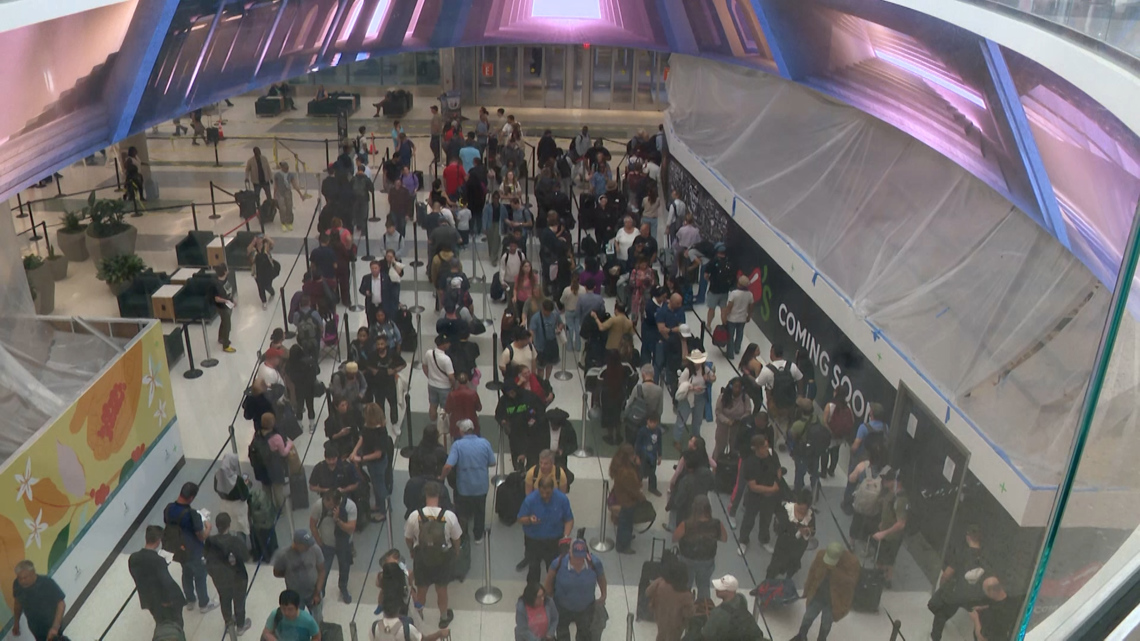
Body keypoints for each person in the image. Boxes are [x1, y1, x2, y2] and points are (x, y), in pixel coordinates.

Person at [404, 481, 462, 627]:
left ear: (425, 495)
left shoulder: (414, 516)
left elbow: (408, 538)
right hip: (443, 558)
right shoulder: (449, 516)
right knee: (442, 589)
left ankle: (419, 615)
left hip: (422, 558)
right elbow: (456, 539)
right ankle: (443, 617)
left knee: (422, 589)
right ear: (440, 495)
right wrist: (456, 552)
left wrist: (412, 550)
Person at [163, 482, 217, 613]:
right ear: (191, 497)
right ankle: (204, 604)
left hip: (178, 549)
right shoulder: (192, 515)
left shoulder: (169, 508)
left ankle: (190, 600)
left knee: (186, 573)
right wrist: (208, 528)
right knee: (200, 575)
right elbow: (201, 536)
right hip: (194, 551)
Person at [441, 419, 497, 542]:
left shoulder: (458, 445)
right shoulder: (485, 443)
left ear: (462, 431)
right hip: (481, 486)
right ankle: (478, 536)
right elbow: (493, 462)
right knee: (480, 512)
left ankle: (463, 536)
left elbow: (448, 466)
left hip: (464, 487)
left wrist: (441, 478)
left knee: (463, 513)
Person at [792, 542, 860, 641]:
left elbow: (852, 583)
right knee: (808, 616)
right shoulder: (821, 555)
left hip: (834, 600)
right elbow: (812, 572)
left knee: (826, 622)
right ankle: (801, 635)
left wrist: (835, 571)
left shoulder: (852, 563)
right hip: (818, 593)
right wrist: (806, 590)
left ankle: (822, 638)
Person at [929, 525, 987, 641]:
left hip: (953, 590)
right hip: (968, 593)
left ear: (968, 536)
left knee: (937, 608)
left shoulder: (963, 554)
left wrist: (942, 585)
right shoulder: (983, 557)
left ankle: (935, 637)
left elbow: (947, 574)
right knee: (950, 608)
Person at [543, 540, 607, 641]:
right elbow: (549, 580)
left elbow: (601, 577)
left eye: (581, 556)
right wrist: (548, 597)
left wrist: (604, 594)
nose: (579, 560)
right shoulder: (558, 563)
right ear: (570, 552)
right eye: (576, 556)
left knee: (584, 632)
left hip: (586, 607)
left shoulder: (594, 563)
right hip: (562, 607)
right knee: (562, 631)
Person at [518, 476, 575, 585]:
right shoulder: (530, 500)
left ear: (553, 489)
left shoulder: (562, 499)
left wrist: (566, 536)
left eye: (548, 493)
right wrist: (529, 519)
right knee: (533, 568)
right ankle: (533, 593)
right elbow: (520, 518)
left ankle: (552, 593)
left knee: (553, 569)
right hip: (533, 540)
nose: (545, 496)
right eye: (542, 493)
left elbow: (569, 519)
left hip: (554, 540)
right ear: (538, 489)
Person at [129, 525, 187, 630]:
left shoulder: (133, 558)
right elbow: (167, 582)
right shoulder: (157, 560)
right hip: (164, 601)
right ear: (158, 540)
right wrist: (174, 599)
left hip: (149, 600)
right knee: (175, 624)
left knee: (161, 622)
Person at [672, 495, 726, 602]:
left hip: (687, 559)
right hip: (707, 561)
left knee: (685, 585)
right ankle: (703, 609)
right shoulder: (716, 524)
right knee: (704, 585)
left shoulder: (686, 524)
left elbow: (674, 538)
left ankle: (685, 605)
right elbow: (724, 538)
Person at [205, 512, 251, 634]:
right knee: (239, 601)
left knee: (224, 600)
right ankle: (240, 626)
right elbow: (246, 557)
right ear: (229, 525)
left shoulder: (210, 541)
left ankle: (228, 623)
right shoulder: (235, 540)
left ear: (216, 525)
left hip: (220, 579)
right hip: (238, 577)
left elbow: (206, 558)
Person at [738, 434, 782, 556]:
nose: (766, 449)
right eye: (764, 447)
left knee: (766, 519)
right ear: (756, 448)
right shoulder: (750, 463)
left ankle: (764, 540)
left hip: (770, 497)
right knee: (749, 519)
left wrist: (776, 483)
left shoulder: (772, 455)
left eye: (767, 446)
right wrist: (771, 489)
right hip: (755, 497)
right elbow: (753, 486)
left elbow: (778, 469)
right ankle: (743, 541)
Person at [310, 489, 357, 604]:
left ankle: (343, 587)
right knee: (323, 570)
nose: (327, 506)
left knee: (345, 567)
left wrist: (337, 520)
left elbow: (351, 528)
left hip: (344, 544)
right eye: (326, 502)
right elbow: (312, 525)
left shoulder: (350, 507)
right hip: (326, 545)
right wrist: (319, 541)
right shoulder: (319, 505)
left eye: (330, 505)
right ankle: (321, 592)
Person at [353, 403, 394, 523]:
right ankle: (378, 504)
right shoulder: (368, 427)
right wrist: (354, 451)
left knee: (380, 486)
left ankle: (385, 510)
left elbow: (378, 454)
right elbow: (363, 437)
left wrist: (361, 459)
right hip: (371, 462)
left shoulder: (380, 432)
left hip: (378, 463)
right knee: (375, 485)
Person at [273, 531, 326, 622]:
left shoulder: (315, 549)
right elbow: (276, 573)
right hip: (295, 596)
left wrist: (317, 593)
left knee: (318, 620)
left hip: (313, 593)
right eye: (306, 545)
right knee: (296, 621)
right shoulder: (283, 555)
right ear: (296, 544)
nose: (309, 547)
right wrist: (290, 575)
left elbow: (321, 571)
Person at [766, 489, 815, 580]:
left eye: (805, 509)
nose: (803, 512)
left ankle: (787, 580)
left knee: (793, 564)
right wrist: (797, 530)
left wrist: (808, 531)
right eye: (801, 508)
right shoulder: (786, 510)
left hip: (799, 547)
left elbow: (813, 530)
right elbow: (778, 529)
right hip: (784, 545)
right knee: (775, 565)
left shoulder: (810, 515)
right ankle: (768, 581)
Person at [755, 343, 803, 437]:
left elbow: (758, 383)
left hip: (774, 403)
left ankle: (775, 439)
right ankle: (784, 439)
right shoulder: (792, 366)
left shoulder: (768, 369)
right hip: (790, 402)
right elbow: (800, 379)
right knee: (787, 421)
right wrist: (799, 395)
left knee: (774, 422)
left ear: (772, 353)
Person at [11, 561, 65, 641]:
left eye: (25, 577)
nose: (22, 581)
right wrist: (16, 623)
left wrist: (55, 627)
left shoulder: (47, 583)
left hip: (52, 623)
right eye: (19, 578)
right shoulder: (17, 585)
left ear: (33, 573)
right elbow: (18, 604)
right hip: (35, 628)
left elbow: (61, 604)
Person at [872, 469, 908, 587]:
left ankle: (886, 580)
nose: (884, 482)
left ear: (895, 481)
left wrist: (884, 533)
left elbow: (901, 523)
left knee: (888, 560)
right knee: (881, 557)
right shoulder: (891, 493)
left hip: (892, 537)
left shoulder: (900, 500)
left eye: (888, 480)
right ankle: (881, 576)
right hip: (885, 531)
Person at [674, 350, 714, 451]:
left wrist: (709, 378)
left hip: (700, 397)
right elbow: (680, 384)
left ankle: (696, 437)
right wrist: (692, 388)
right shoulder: (688, 371)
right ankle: (677, 439)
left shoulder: (705, 368)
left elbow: (713, 377)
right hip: (688, 397)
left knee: (698, 419)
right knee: (682, 419)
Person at [645, 558, 694, 641]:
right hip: (676, 624)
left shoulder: (660, 582)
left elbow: (647, 592)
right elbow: (688, 613)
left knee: (661, 635)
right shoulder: (685, 595)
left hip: (660, 616)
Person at [372, 590, 450, 641]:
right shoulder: (407, 628)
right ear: (398, 609)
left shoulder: (374, 627)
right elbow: (424, 640)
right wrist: (439, 634)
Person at [702, 575, 762, 641]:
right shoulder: (741, 599)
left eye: (721, 588)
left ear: (729, 591)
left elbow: (707, 635)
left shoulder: (718, 612)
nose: (716, 589)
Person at [668, 449, 714, 532]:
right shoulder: (707, 473)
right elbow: (712, 486)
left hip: (685, 513)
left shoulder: (685, 481)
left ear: (686, 465)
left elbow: (679, 500)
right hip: (700, 509)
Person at [609, 444, 644, 554]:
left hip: (622, 498)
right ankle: (623, 545)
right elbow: (634, 488)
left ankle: (626, 538)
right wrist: (642, 498)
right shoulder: (626, 472)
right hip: (627, 502)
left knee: (625, 522)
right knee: (625, 524)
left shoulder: (619, 466)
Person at [713, 376, 752, 459]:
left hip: (738, 427)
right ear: (731, 387)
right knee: (720, 448)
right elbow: (718, 412)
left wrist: (741, 420)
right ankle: (715, 466)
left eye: (739, 387)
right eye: (735, 387)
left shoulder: (745, 398)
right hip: (723, 427)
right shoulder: (723, 397)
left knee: (735, 449)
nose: (737, 389)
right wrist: (727, 421)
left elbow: (748, 411)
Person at [820, 385, 854, 478]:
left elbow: (824, 421)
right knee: (835, 452)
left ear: (836, 392)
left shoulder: (830, 405)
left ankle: (823, 472)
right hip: (840, 436)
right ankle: (831, 470)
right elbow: (852, 421)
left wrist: (830, 432)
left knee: (825, 452)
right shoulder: (847, 406)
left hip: (830, 435)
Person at [970, 577, 1019, 641]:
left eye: (985, 592)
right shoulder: (1016, 600)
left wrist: (975, 618)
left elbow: (982, 639)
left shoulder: (992, 616)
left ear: (991, 592)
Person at [423, 335, 456, 422]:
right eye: (447, 343)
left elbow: (424, 366)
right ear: (443, 345)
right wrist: (454, 386)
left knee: (433, 405)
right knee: (444, 409)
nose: (449, 344)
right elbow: (451, 377)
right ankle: (443, 427)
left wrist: (430, 377)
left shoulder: (429, 353)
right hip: (445, 387)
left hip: (432, 385)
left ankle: (432, 423)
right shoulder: (446, 359)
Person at [530, 299, 564, 380]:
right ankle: (541, 382)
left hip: (551, 344)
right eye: (546, 312)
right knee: (541, 367)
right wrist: (530, 343)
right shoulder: (536, 318)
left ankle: (547, 380)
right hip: (540, 346)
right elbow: (532, 331)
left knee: (550, 364)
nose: (548, 314)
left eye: (549, 312)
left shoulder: (555, 314)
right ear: (543, 309)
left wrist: (559, 328)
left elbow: (561, 323)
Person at [723, 275, 753, 361]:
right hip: (742, 318)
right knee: (739, 334)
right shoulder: (749, 295)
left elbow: (729, 307)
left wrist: (725, 316)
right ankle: (737, 349)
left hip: (732, 318)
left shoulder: (734, 293)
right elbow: (751, 307)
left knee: (730, 336)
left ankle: (730, 354)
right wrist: (749, 316)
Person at [445, 373, 482, 440]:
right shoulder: (473, 393)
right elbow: (479, 408)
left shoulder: (452, 394)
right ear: (467, 381)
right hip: (471, 424)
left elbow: (447, 410)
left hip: (456, 426)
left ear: (458, 382)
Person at [635, 415, 665, 497]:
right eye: (651, 422)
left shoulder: (658, 431)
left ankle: (652, 487)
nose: (653, 424)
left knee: (652, 472)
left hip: (653, 456)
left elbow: (659, 443)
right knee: (640, 472)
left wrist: (660, 455)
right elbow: (638, 444)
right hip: (643, 456)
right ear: (648, 421)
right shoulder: (642, 431)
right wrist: (637, 456)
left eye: (655, 423)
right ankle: (637, 488)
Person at [209, 264, 235, 353]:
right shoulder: (216, 284)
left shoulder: (225, 280)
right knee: (227, 325)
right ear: (224, 271)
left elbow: (229, 291)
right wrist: (226, 301)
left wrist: (232, 300)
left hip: (228, 304)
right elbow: (217, 298)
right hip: (223, 307)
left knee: (224, 322)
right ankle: (226, 345)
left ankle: (221, 338)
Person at [273, 161, 304, 231]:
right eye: (285, 168)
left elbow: (294, 184)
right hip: (280, 193)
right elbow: (275, 185)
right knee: (282, 208)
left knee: (289, 207)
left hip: (288, 192)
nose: (287, 169)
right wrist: (274, 195)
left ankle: (289, 221)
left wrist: (300, 194)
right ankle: (283, 222)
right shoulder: (277, 175)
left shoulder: (290, 175)